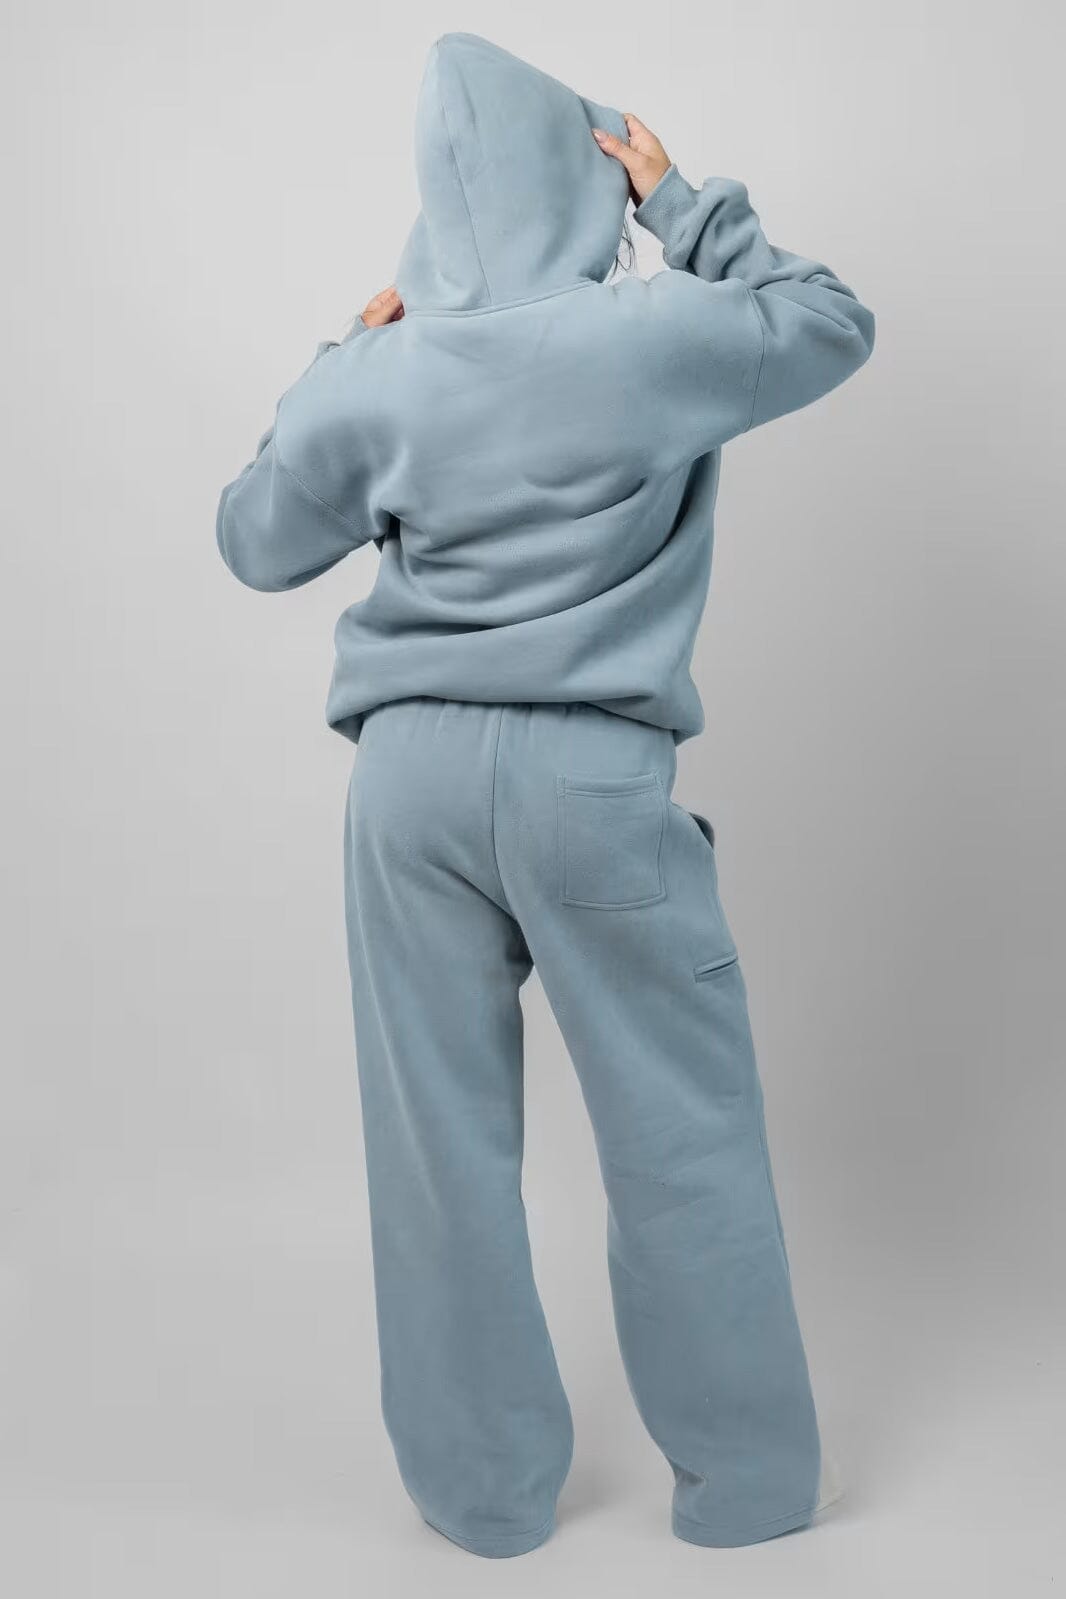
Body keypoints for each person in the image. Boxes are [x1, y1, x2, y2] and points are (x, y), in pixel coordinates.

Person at [216, 30, 873, 1561]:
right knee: (679, 1134)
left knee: (436, 1155)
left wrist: (342, 348)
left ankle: (482, 1500)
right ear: (582, 183)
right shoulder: (651, 336)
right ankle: (745, 1489)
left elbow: (255, 541)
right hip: (587, 775)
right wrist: (680, 200)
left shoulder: (376, 377)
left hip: (407, 790)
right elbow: (828, 322)